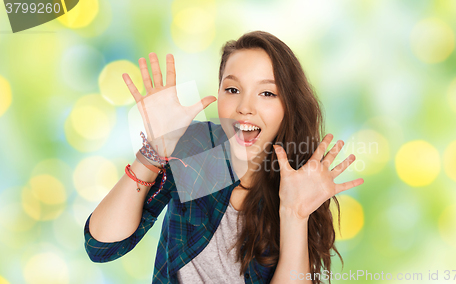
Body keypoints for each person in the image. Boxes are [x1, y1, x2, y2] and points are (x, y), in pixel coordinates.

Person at [84, 30, 364, 284]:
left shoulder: (300, 182)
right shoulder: (198, 147)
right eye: (233, 89)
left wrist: (294, 215)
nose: (245, 107)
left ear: (288, 106)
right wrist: (154, 152)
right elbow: (102, 246)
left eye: (266, 93)